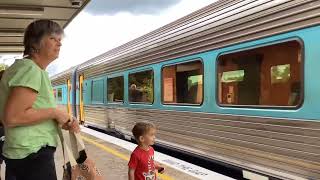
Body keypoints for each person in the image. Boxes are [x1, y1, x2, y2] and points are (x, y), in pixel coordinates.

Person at [0, 19, 80, 180]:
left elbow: (31, 111)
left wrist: (62, 119)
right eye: (52, 38)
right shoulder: (30, 69)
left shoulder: (30, 69)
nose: (59, 44)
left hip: (25, 154)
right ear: (34, 43)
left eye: (60, 40)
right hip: (32, 155)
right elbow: (13, 117)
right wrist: (54, 113)